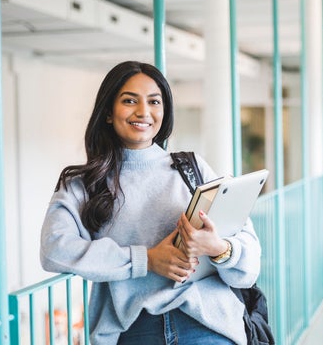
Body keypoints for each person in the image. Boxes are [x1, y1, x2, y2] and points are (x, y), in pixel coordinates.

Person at [40, 60, 262, 344]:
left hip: (207, 325)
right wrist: (146, 260)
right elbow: (54, 250)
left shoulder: (191, 169)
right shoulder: (84, 184)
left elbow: (249, 263)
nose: (143, 112)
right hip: (135, 330)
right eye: (129, 100)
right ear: (108, 112)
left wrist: (218, 249)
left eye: (154, 101)